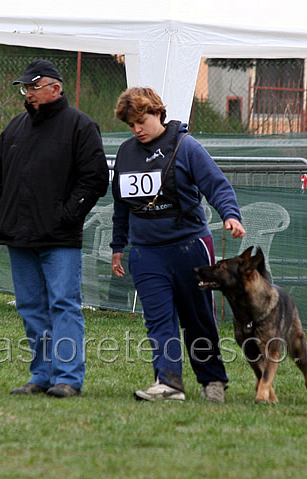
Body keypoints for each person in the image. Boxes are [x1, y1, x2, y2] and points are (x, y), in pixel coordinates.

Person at [110, 87, 245, 403]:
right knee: (158, 319)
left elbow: (216, 184)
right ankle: (168, 383)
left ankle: (212, 380)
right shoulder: (126, 153)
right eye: (131, 125)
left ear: (158, 112)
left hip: (189, 247)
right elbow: (120, 205)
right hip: (145, 253)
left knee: (198, 317)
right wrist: (119, 246)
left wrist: (231, 215)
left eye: (141, 121)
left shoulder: (186, 147)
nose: (137, 129)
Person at [0, 59, 109, 398]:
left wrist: (68, 215)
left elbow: (95, 178)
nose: (27, 94)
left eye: (33, 87)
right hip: (18, 235)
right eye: (25, 88)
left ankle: (67, 378)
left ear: (55, 88)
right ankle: (41, 375)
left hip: (59, 238)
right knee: (30, 307)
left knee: (63, 304)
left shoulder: (80, 126)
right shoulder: (15, 127)